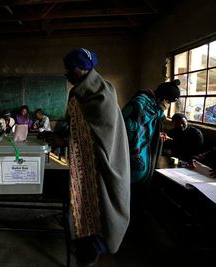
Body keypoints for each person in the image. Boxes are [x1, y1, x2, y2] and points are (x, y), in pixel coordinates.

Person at [62, 48, 130, 265]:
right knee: (81, 203)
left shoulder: (102, 94)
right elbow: (75, 122)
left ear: (82, 69)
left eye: (70, 69)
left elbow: (106, 130)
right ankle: (84, 241)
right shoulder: (79, 92)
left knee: (101, 204)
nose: (66, 73)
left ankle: (95, 249)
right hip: (82, 161)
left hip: (99, 161)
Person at [122, 80, 181, 184]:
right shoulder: (140, 104)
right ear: (163, 97)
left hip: (144, 151)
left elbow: (147, 127)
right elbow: (129, 128)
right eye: (168, 101)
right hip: (131, 149)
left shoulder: (155, 107)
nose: (167, 106)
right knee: (131, 178)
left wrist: (157, 134)